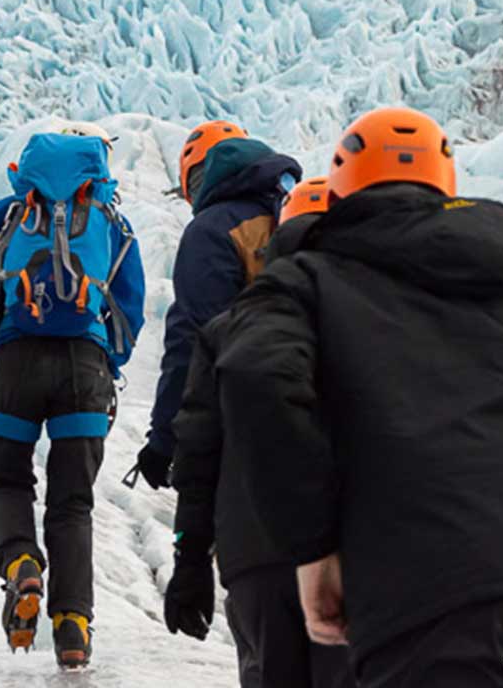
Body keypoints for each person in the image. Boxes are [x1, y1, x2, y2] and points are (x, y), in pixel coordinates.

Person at [211, 106, 503, 687]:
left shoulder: (303, 285)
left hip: (437, 595)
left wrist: (312, 546)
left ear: (336, 193)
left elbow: (256, 374)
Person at [0, 122, 146, 670]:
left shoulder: (7, 215)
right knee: (72, 502)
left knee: (8, 481)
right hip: (84, 368)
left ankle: (21, 565)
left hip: (17, 364)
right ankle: (72, 624)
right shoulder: (112, 222)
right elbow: (131, 306)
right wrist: (108, 363)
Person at [164, 175, 354, 688]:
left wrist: (190, 558)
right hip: (355, 553)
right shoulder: (381, 325)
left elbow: (198, 453)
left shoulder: (230, 329)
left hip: (256, 555)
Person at [133, 120, 301, 489]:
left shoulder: (212, 228)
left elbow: (193, 338)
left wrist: (164, 440)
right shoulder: (300, 211)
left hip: (245, 420)